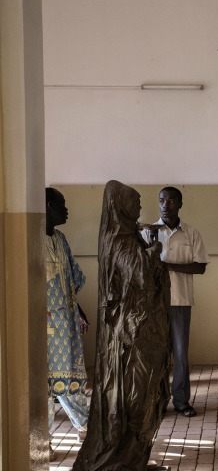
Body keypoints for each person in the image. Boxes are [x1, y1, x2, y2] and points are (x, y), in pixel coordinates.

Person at [74, 180, 171, 470]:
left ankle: (134, 457)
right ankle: (123, 457)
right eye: (135, 202)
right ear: (121, 206)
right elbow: (140, 275)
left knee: (145, 394)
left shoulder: (130, 238)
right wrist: (154, 251)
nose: (140, 207)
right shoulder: (120, 242)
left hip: (139, 330)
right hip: (129, 338)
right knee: (134, 397)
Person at [141, 186, 208, 418]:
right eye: (161, 200)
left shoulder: (190, 233)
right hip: (155, 302)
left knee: (180, 353)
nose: (165, 205)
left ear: (180, 204)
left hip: (180, 300)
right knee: (157, 352)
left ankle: (181, 401)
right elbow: (141, 267)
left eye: (171, 201)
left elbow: (200, 266)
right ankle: (156, 402)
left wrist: (168, 266)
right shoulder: (148, 232)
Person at [46, 187, 90, 440]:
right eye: (62, 204)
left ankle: (84, 428)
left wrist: (79, 311)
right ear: (49, 206)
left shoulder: (60, 239)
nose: (67, 210)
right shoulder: (30, 240)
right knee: (43, 386)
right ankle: (43, 441)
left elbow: (72, 280)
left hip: (67, 325)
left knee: (71, 381)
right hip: (44, 327)